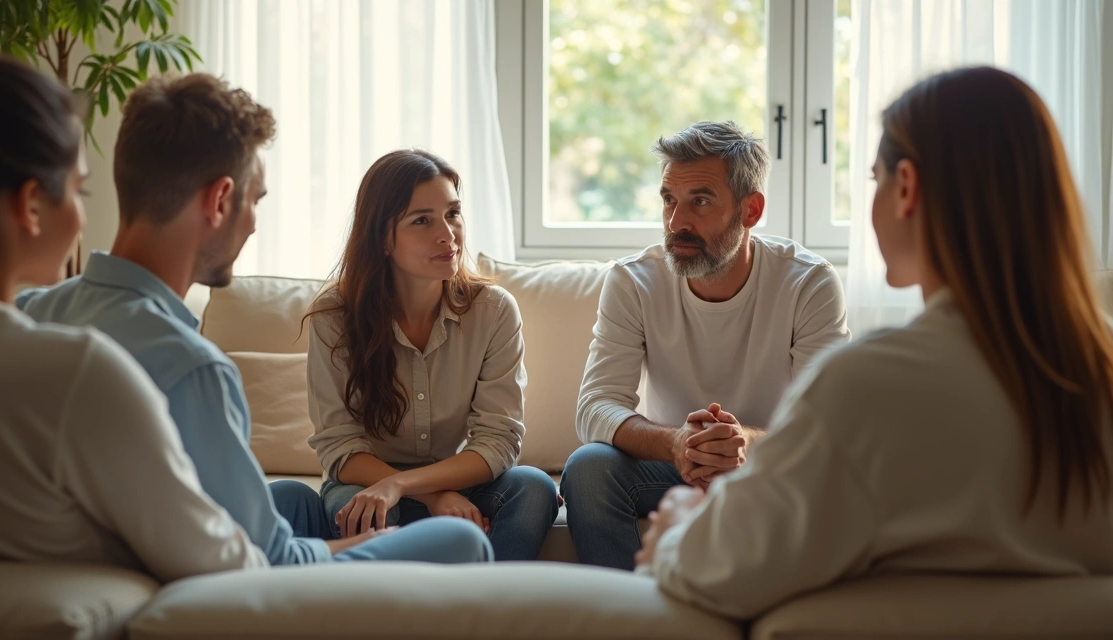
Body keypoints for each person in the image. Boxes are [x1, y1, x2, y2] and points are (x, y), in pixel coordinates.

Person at [636, 66, 1113, 618]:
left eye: (873, 179)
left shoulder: (868, 384)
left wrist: (675, 529)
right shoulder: (1096, 366)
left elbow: (722, 570)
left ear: (906, 188)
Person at [17, 75, 491, 566]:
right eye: (256, 200)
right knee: (462, 542)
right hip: (230, 585)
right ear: (220, 200)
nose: (254, 222)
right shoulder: (192, 368)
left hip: (87, 555)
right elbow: (272, 561)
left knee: (285, 497)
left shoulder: (30, 314)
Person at [0, 24, 267, 581]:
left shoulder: (24, 333)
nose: (80, 219)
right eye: (78, 190)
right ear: (31, 206)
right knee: (450, 539)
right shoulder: (78, 372)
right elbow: (237, 568)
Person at [560, 120, 850, 570]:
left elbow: (828, 426)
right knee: (588, 468)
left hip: (768, 469)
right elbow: (595, 406)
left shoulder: (808, 283)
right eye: (669, 201)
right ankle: (631, 615)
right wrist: (677, 442)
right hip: (673, 465)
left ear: (750, 210)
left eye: (700, 201)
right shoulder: (633, 280)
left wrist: (744, 443)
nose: (677, 223)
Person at [307, 149, 560, 561]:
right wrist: (432, 495)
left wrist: (415, 487)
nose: (448, 234)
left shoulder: (493, 310)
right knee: (361, 511)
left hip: (451, 479)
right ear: (382, 237)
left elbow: (498, 441)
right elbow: (339, 447)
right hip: (367, 484)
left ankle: (484, 610)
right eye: (422, 220)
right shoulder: (333, 318)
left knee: (533, 487)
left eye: (453, 214)